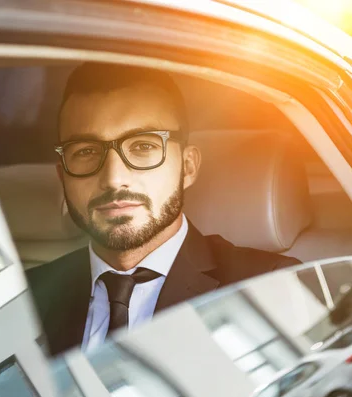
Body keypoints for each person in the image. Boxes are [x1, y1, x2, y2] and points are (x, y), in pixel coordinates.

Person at [26, 63, 299, 355]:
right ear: (62, 176)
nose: (113, 178)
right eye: (86, 152)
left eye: (143, 146)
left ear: (188, 166)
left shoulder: (271, 286)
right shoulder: (26, 298)